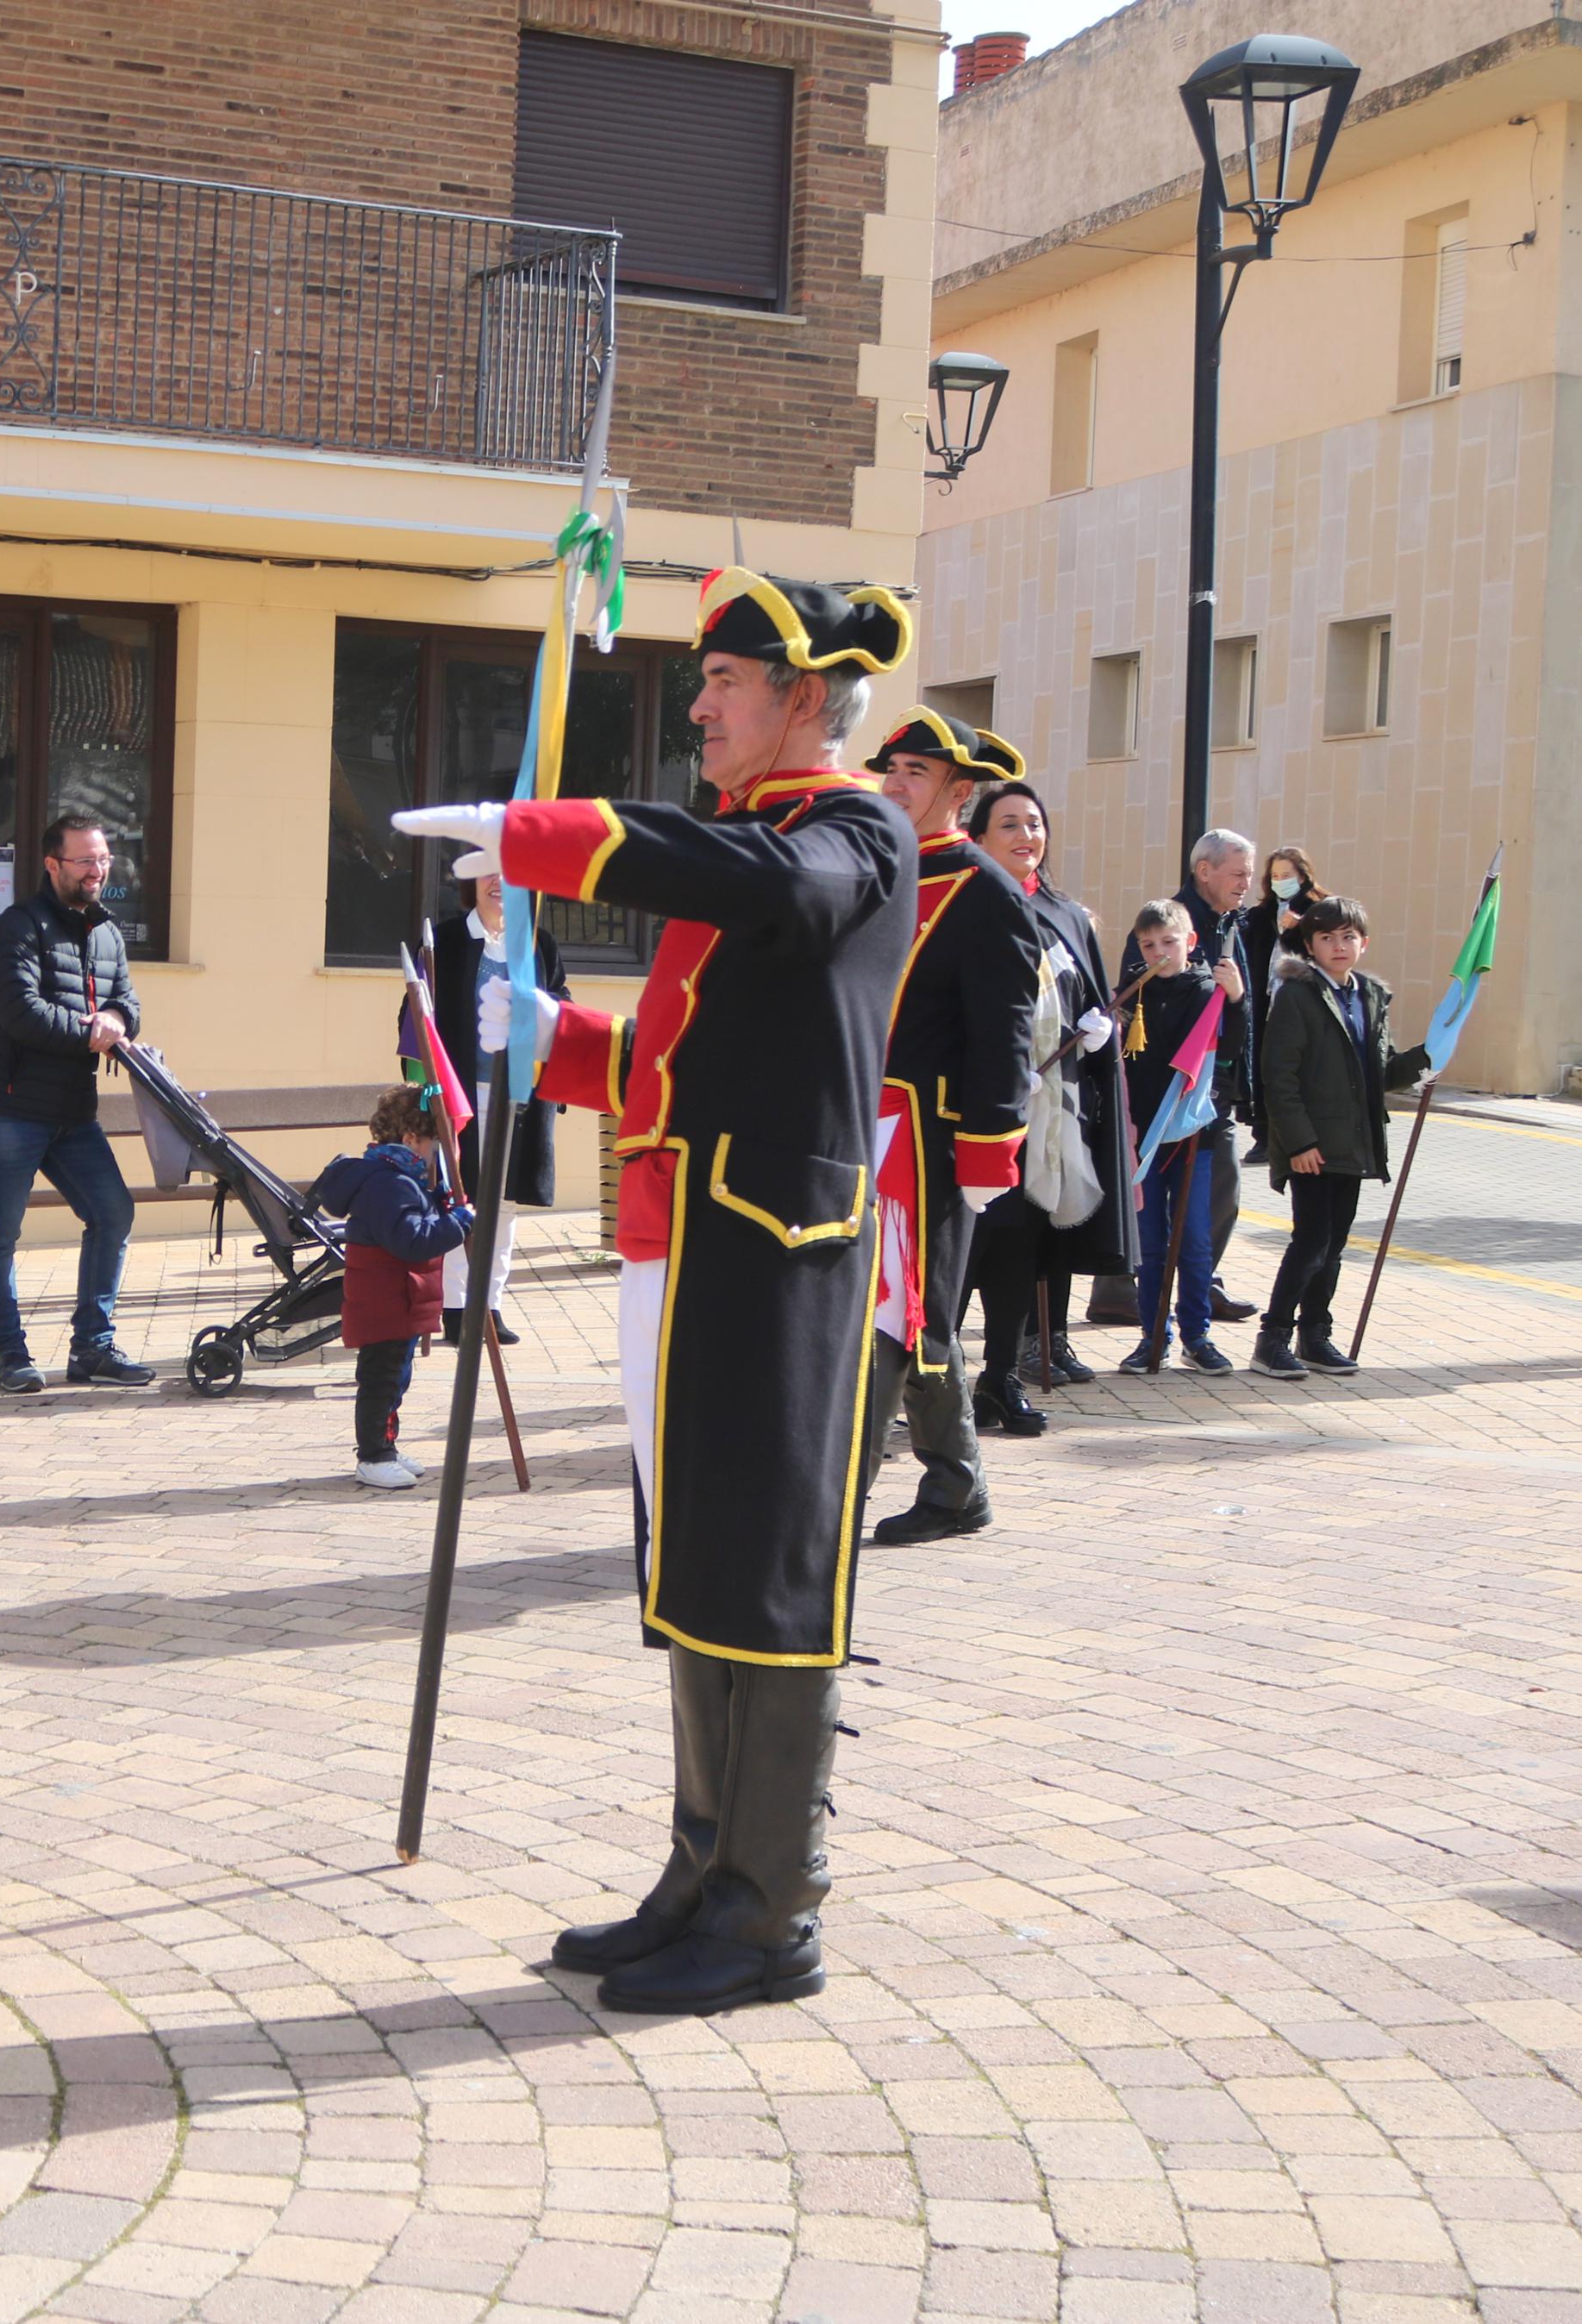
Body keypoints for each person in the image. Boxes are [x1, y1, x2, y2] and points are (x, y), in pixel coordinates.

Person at [396, 565, 916, 2020]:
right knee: (691, 1567)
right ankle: (700, 1876)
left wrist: (545, 840)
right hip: (689, 1252)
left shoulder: (848, 833)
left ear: (802, 700)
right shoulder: (752, 839)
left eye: (723, 684)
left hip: (778, 1255)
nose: (696, 705)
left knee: (768, 1579)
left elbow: (765, 894)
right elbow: (681, 1070)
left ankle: (769, 1912)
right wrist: (546, 1035)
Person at [858, 713, 1041, 1546]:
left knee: (899, 1312)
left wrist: (986, 1146)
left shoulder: (984, 891)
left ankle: (831, 1491)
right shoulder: (882, 870)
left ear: (958, 796)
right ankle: (956, 1484)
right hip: (864, 1125)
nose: (894, 783)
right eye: (891, 768)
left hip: (929, 1138)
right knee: (901, 1311)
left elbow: (1005, 1032)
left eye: (915, 773)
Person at [960, 780, 1129, 1435]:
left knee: (1017, 1257)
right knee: (962, 1258)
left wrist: (1095, 1034)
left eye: (1033, 823)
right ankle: (926, 1390)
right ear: (977, 837)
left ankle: (999, 1378)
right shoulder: (959, 905)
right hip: (975, 1117)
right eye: (1008, 824)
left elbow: (1087, 996)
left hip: (1047, 1121)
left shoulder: (1066, 916)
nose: (1026, 835)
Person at [0, 810, 150, 1394]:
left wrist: (116, 1018)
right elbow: (19, 1012)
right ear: (52, 864)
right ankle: (9, 1355)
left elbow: (128, 1005)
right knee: (1, 1232)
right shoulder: (17, 927)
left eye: (103, 859)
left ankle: (92, 1348)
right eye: (85, 860)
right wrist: (93, 1031)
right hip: (9, 1107)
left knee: (113, 1211)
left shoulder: (109, 933)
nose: (97, 870)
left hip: (72, 1112)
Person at [1252, 895, 1432, 1379]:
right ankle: (1273, 1339)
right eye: (1327, 937)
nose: (1338, 945)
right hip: (1312, 1146)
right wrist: (1300, 1142)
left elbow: (1380, 1071)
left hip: (1353, 1142)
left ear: (1364, 943)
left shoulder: (1370, 995)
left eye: (1348, 937)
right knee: (1310, 1242)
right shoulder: (1296, 995)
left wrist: (1427, 1056)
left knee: (1333, 1245)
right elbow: (1279, 1077)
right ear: (1310, 945)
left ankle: (1316, 1334)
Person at [416, 870, 566, 1344]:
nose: (500, 881)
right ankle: (458, 1309)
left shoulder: (538, 943)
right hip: (463, 1095)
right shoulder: (445, 941)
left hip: (519, 1095)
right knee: (463, 1199)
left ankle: (491, 1305)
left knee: (503, 1206)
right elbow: (415, 1018)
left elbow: (562, 1003)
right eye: (489, 870)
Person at [308, 1084, 472, 1490]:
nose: (439, 1154)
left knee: (397, 1376)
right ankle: (373, 1455)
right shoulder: (390, 1184)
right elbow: (410, 1240)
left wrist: (442, 1203)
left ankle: (387, 1445)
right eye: (435, 1144)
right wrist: (459, 1222)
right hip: (387, 1298)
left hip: (399, 1297)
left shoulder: (403, 1179)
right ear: (411, 1139)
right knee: (382, 1378)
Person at [1117, 899, 1231, 1376]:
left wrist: (1239, 1002)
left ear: (1190, 942)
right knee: (1151, 1241)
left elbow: (1226, 1054)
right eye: (1149, 945)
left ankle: (1197, 1335)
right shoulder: (1133, 993)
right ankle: (1152, 1335)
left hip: (1190, 1135)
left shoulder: (1208, 991)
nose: (1160, 952)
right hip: (1143, 1134)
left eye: (1169, 942)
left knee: (1195, 1241)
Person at [1175, 829, 1261, 1321]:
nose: (1246, 883)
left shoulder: (1232, 924)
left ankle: (1203, 1280)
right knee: (1157, 1193)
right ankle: (1121, 1288)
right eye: (1238, 873)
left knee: (1221, 1185)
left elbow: (1241, 1004)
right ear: (1204, 871)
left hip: (1219, 1086)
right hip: (1176, 1082)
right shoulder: (1171, 920)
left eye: (1249, 873)